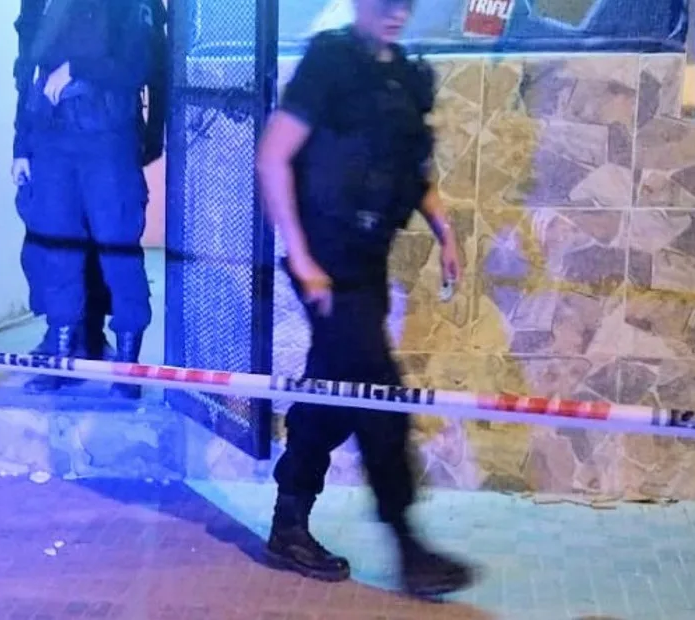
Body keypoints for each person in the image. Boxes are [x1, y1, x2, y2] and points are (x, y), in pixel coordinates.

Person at [255, 0, 475, 597]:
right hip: (326, 264)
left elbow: (413, 172)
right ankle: (407, 545)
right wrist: (300, 256)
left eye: (406, 3)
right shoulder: (330, 61)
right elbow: (273, 156)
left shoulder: (401, 74)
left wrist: (446, 233)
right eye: (385, 2)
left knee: (332, 393)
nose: (397, 12)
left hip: (368, 261)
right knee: (380, 396)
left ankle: (288, 523)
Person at [10, 0, 166, 398]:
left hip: (107, 140)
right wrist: (21, 147)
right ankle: (61, 357)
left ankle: (127, 370)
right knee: (56, 252)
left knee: (118, 250)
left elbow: (138, 66)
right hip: (50, 139)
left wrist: (77, 68)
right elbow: (27, 74)